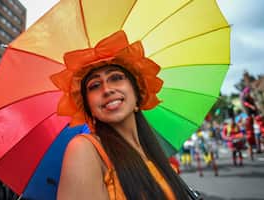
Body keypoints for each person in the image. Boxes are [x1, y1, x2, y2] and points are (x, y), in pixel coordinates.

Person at [53, 31, 196, 200]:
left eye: (116, 77)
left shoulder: (152, 150)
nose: (107, 89)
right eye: (94, 86)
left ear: (138, 93)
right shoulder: (84, 149)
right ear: (89, 107)